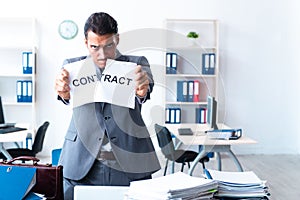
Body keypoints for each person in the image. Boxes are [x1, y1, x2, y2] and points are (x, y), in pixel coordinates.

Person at [54, 12, 161, 200]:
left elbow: (144, 92)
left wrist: (142, 90)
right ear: (85, 42)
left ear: (117, 40)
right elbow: (66, 95)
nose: (102, 55)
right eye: (95, 47)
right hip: (81, 162)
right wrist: (63, 93)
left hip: (129, 163)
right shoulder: (72, 67)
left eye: (108, 46)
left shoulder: (137, 65)